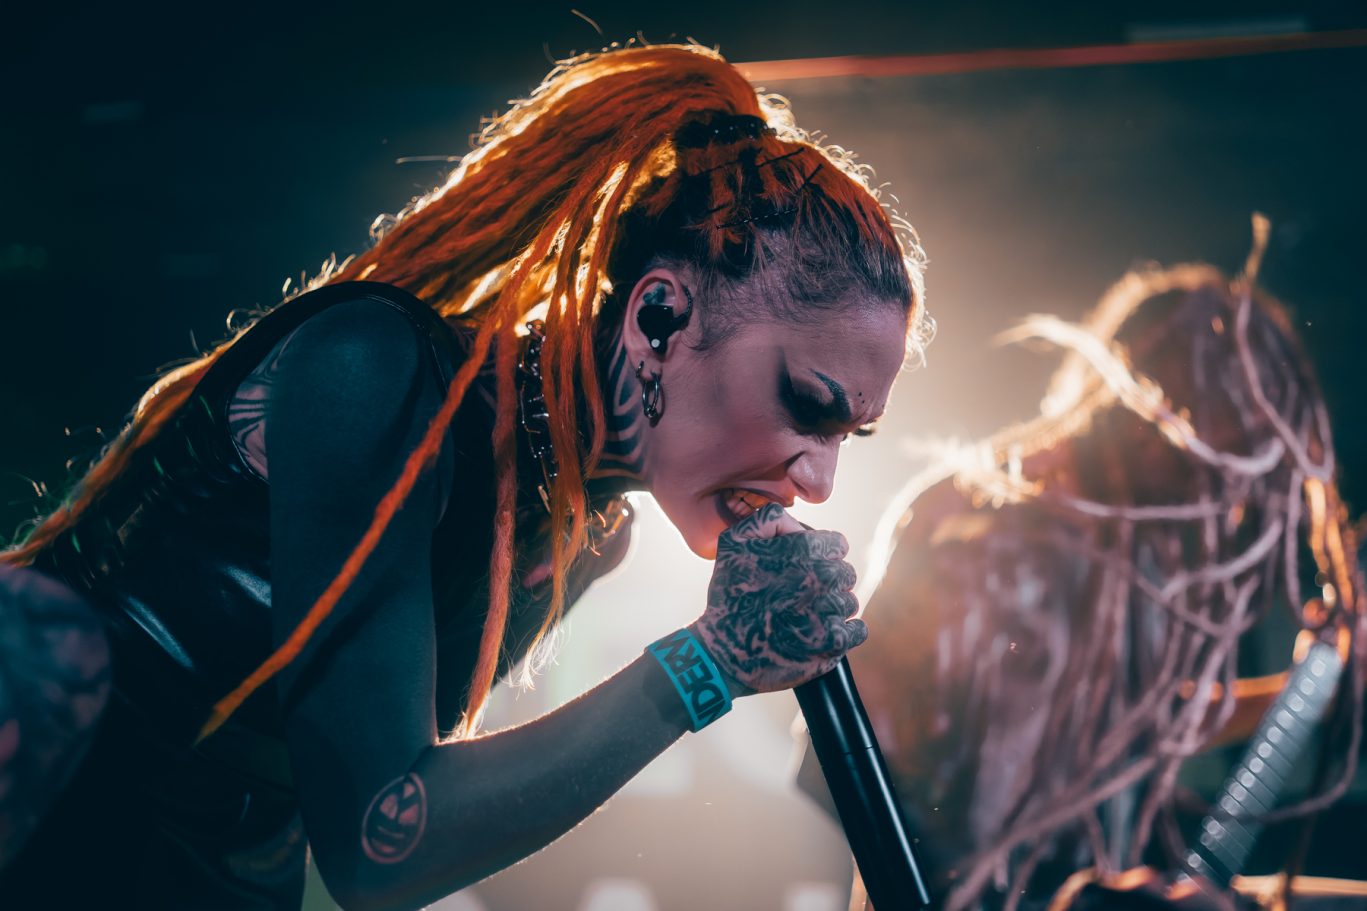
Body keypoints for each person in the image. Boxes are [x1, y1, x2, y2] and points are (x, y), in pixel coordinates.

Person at [0, 44, 931, 909]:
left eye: (851, 432)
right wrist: (711, 661)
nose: (817, 478)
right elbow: (379, 844)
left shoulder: (586, 533)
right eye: (809, 404)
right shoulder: (373, 371)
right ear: (656, 318)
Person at [819, 231, 1363, 910]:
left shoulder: (1137, 558)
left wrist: (1302, 686)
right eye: (1224, 457)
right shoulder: (977, 528)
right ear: (1155, 414)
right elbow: (840, 753)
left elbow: (1144, 716)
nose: (1229, 508)